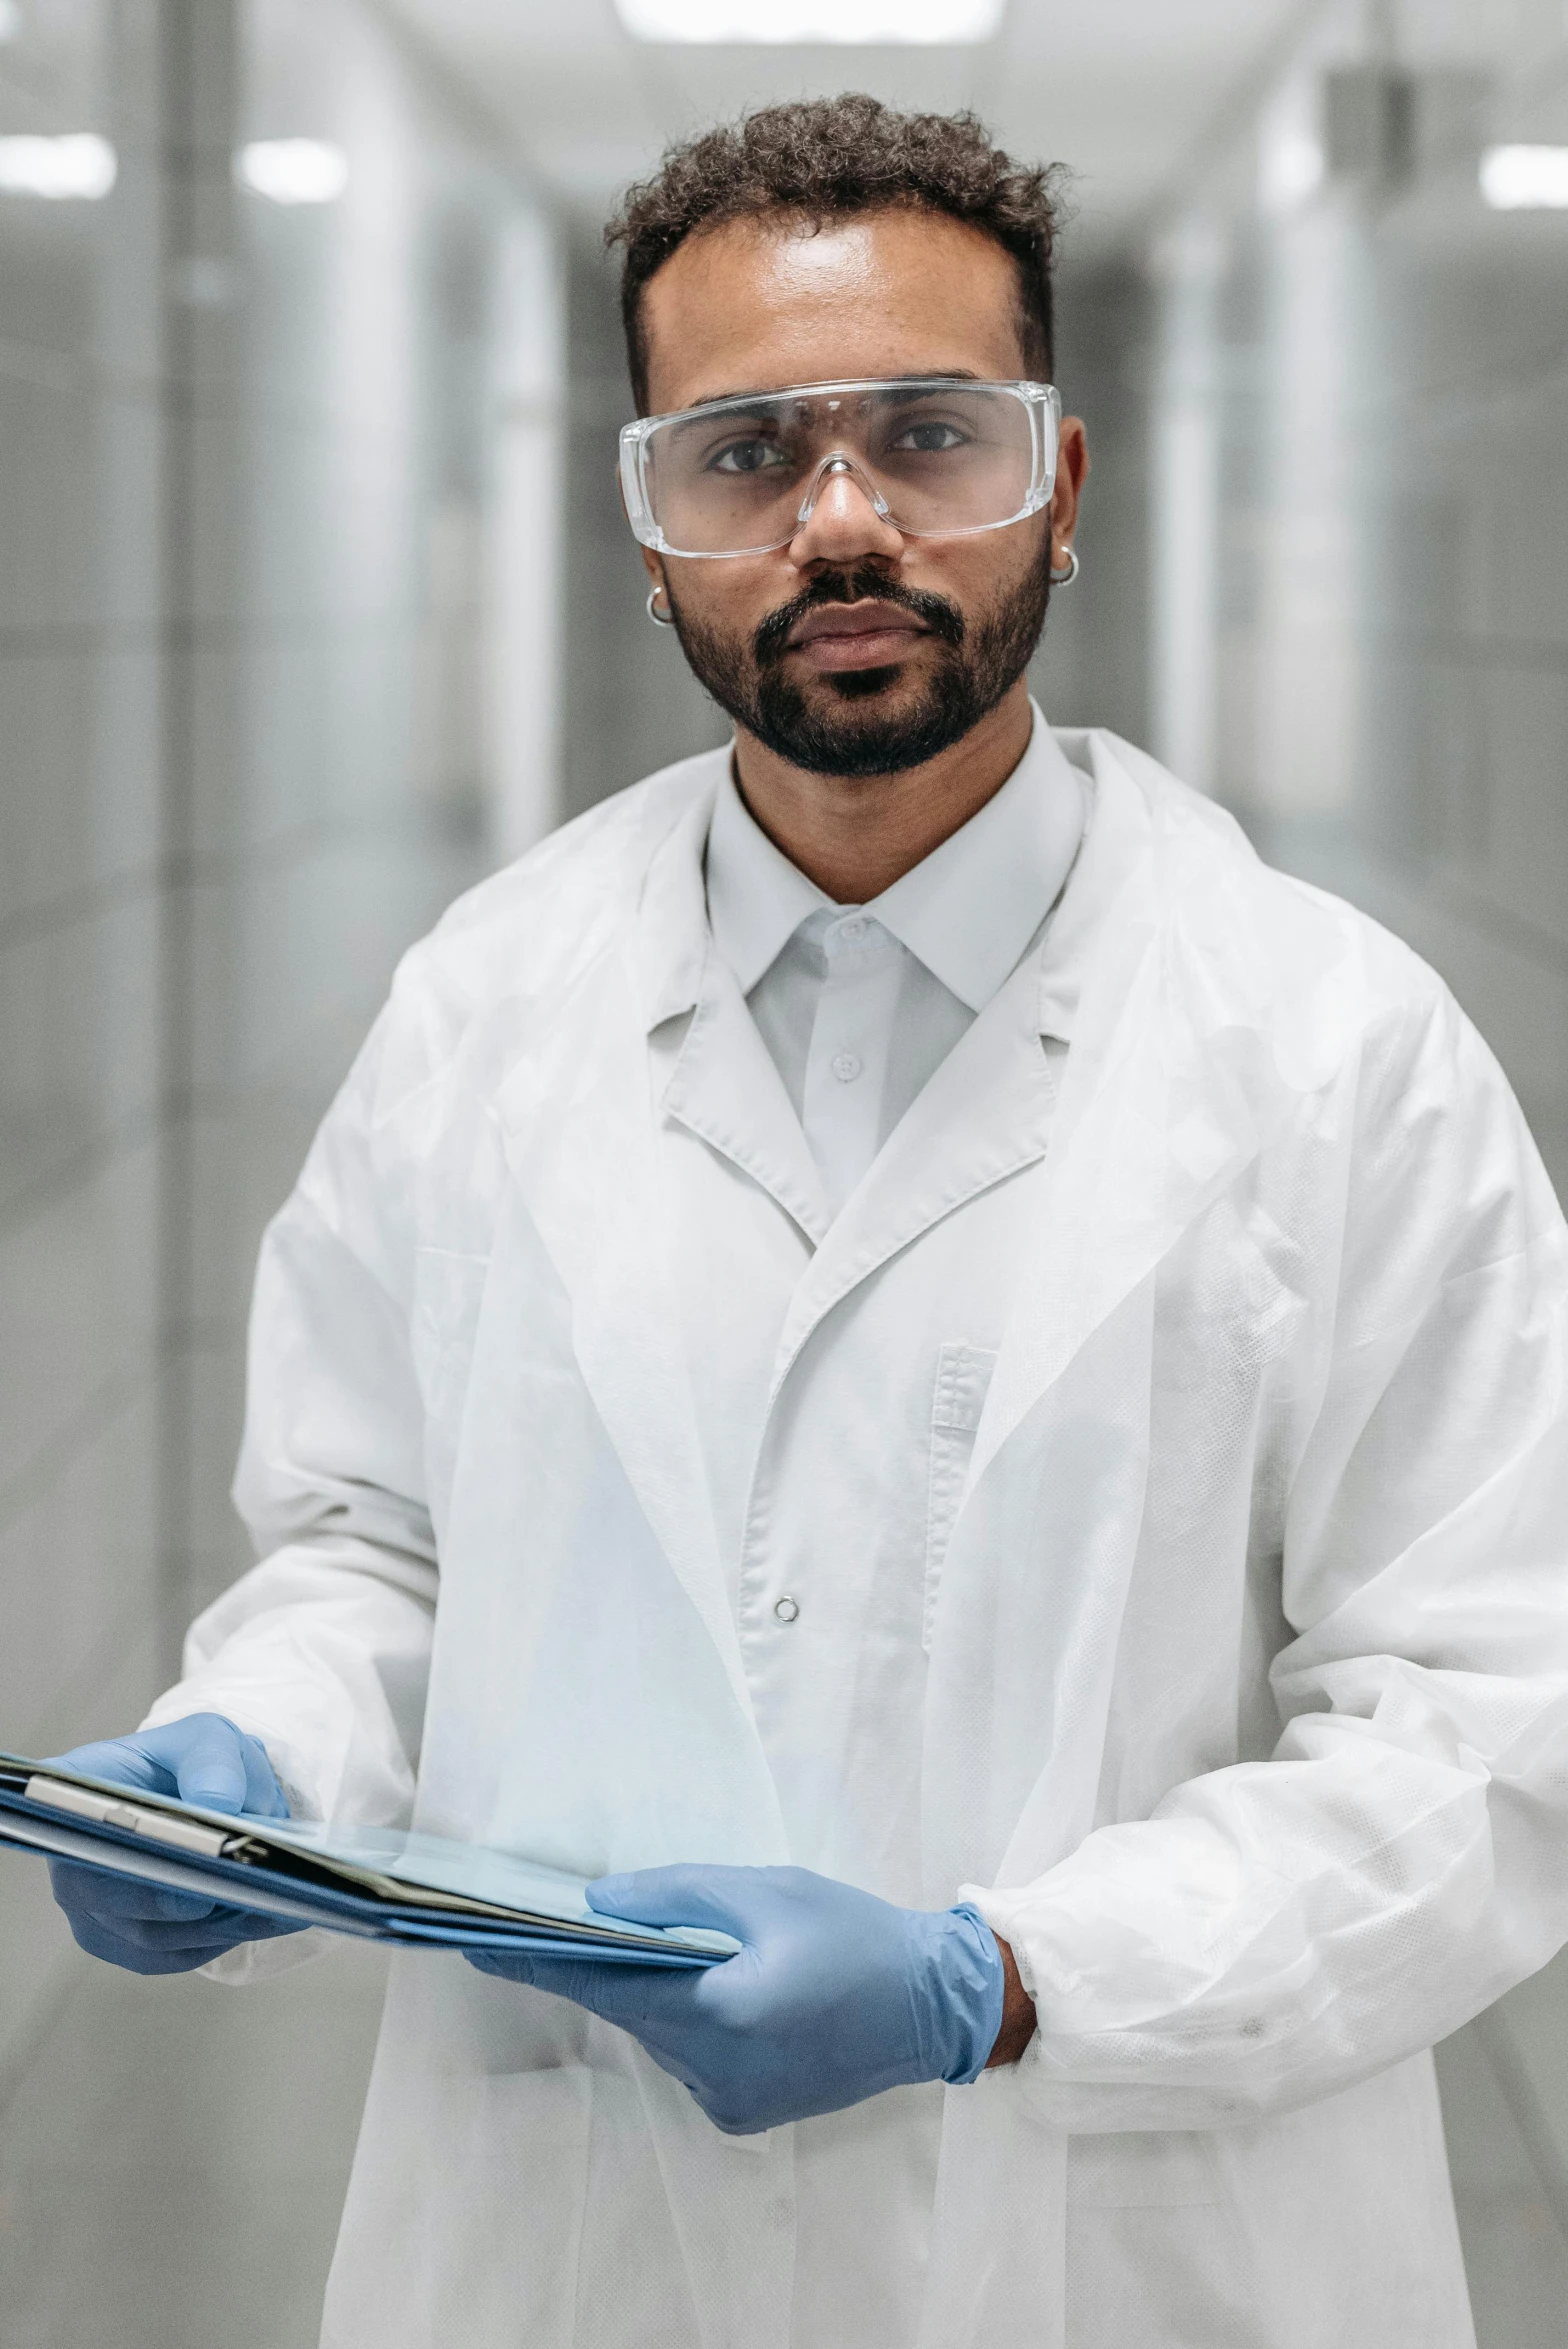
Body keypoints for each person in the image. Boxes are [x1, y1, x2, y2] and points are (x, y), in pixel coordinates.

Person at [46, 94, 1568, 2349]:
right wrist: (257, 1758)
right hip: (565, 2246)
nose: (843, 519)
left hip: (1126, 2257)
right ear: (650, 531)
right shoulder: (488, 1002)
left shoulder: (1332, 1048)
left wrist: (1005, 1981)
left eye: (930, 433)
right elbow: (373, 1547)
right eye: (742, 455)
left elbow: (1487, 1729)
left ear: (1061, 480)